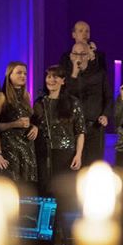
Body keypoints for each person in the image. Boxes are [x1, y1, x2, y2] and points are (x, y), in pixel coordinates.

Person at [33, 65, 86, 193]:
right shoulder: (40, 102)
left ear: (63, 80)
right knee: (45, 189)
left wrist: (78, 155)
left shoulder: (73, 102)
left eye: (55, 77)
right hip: (44, 153)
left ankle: (61, 213)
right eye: (49, 76)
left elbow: (80, 131)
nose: (51, 80)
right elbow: (34, 124)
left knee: (62, 191)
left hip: (65, 154)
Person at [64, 41, 111, 164]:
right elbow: (66, 96)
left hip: (94, 127)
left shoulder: (99, 73)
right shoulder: (66, 75)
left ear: (89, 56)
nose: (79, 57)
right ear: (71, 56)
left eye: (83, 54)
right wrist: (74, 73)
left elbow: (108, 97)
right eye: (76, 54)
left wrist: (105, 114)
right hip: (72, 129)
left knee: (93, 165)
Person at [0, 62, 38, 186]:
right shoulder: (2, 97)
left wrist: (34, 127)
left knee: (26, 188)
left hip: (27, 148)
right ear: (9, 75)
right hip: (10, 148)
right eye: (19, 72)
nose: (23, 76)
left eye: (25, 73)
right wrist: (14, 124)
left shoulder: (26, 95)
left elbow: (30, 120)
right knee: (11, 186)